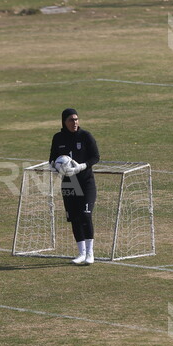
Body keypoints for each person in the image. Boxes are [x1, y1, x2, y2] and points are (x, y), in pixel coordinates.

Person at [49, 108, 100, 265]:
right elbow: (51, 159)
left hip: (86, 183)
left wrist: (81, 167)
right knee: (75, 218)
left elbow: (96, 157)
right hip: (69, 183)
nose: (75, 122)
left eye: (76, 119)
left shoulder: (85, 136)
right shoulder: (58, 138)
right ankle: (81, 253)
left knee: (85, 215)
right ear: (64, 122)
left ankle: (90, 253)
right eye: (71, 120)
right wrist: (56, 167)